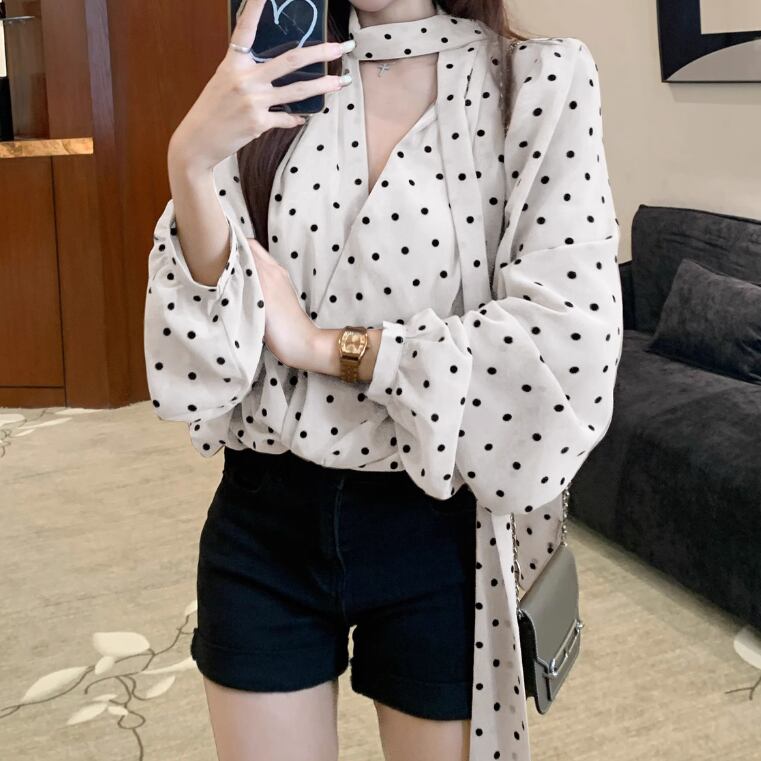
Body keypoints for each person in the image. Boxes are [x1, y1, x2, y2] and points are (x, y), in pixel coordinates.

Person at [143, 0, 623, 759]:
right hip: (264, 518)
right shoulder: (279, 74)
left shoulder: (537, 78)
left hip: (439, 525)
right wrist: (190, 163)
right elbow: (209, 351)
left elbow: (564, 350)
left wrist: (322, 346)